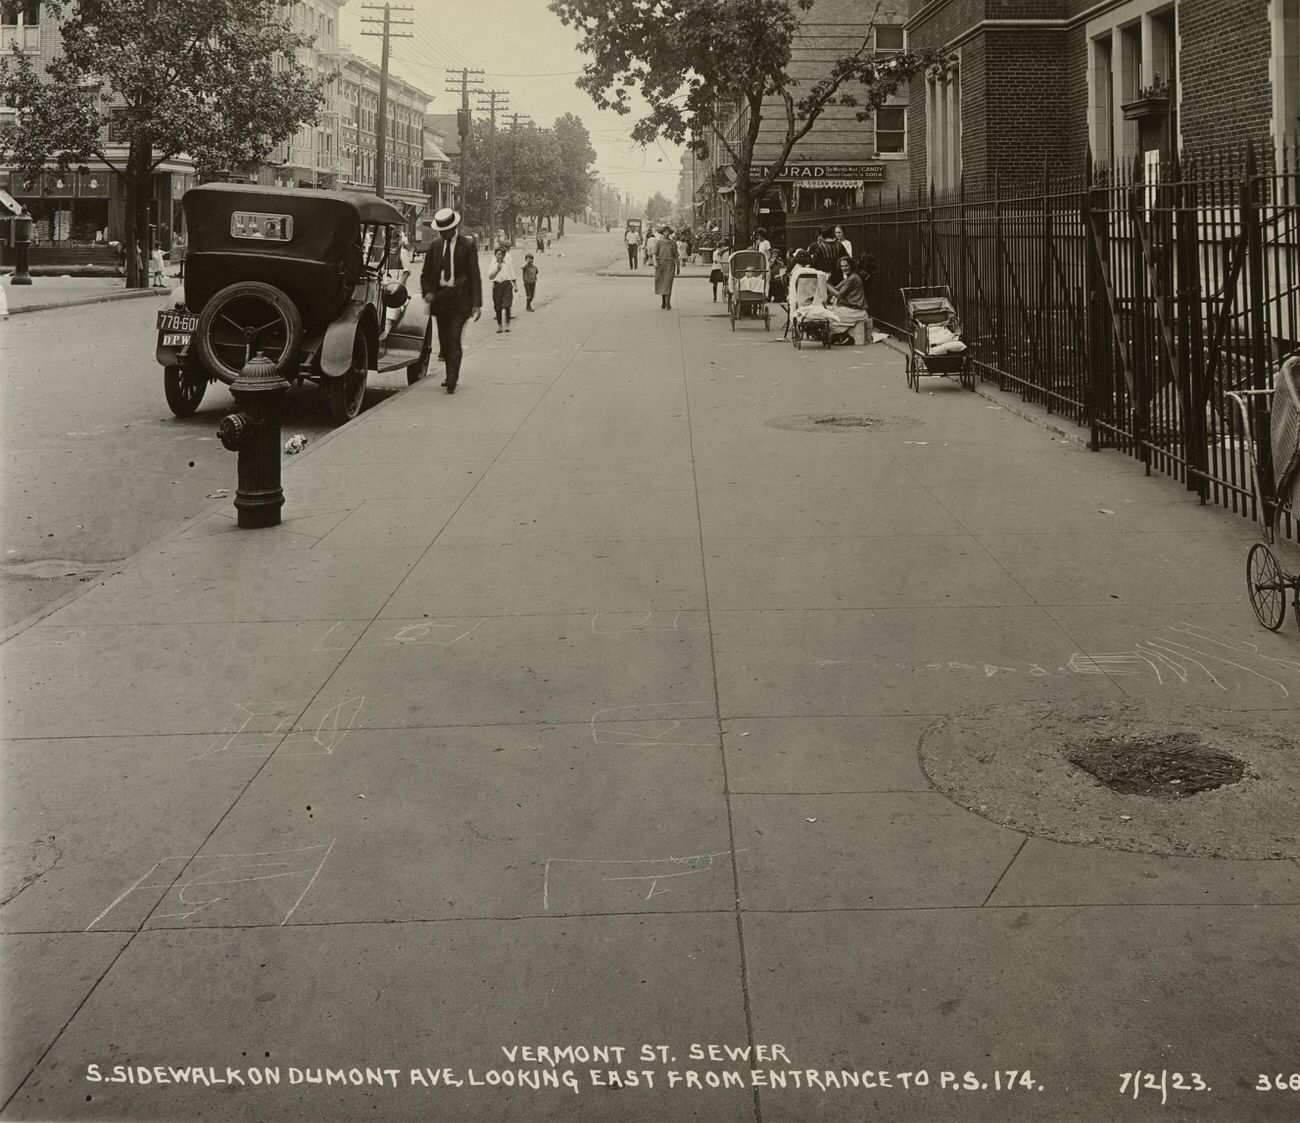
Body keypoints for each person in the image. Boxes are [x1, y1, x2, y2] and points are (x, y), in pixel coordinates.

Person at [418, 207, 482, 393]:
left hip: (461, 300)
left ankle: (453, 377)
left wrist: (476, 304)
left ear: (453, 228)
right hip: (440, 300)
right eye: (440, 231)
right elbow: (425, 274)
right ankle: (448, 374)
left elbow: (474, 275)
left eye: (445, 231)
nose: (443, 234)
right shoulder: (436, 246)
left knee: (454, 337)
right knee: (445, 340)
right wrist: (427, 292)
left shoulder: (467, 246)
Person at [826, 255, 870, 345]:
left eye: (846, 266)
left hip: (856, 310)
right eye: (842, 266)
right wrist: (827, 280)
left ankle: (844, 336)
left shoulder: (853, 278)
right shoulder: (848, 278)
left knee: (828, 316)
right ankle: (841, 336)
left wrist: (825, 284)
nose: (844, 268)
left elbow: (839, 294)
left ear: (851, 266)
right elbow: (836, 288)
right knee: (828, 312)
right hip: (851, 309)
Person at [488, 245, 518, 332]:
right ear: (495, 255)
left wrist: (515, 286)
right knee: (498, 306)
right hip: (497, 286)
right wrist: (497, 269)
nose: (500, 256)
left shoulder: (507, 264)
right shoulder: (492, 265)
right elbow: (490, 277)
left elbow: (512, 275)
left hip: (507, 285)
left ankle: (508, 325)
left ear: (504, 256)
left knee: (507, 305)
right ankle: (500, 325)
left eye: (502, 254)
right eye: (498, 254)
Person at [654, 225, 679, 310]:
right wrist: (655, 262)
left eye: (668, 231)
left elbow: (676, 255)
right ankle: (663, 301)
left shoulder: (673, 243)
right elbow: (654, 253)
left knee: (668, 283)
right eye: (665, 231)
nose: (667, 233)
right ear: (662, 232)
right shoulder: (659, 242)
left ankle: (668, 302)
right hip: (660, 265)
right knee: (662, 283)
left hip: (670, 265)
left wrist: (678, 266)